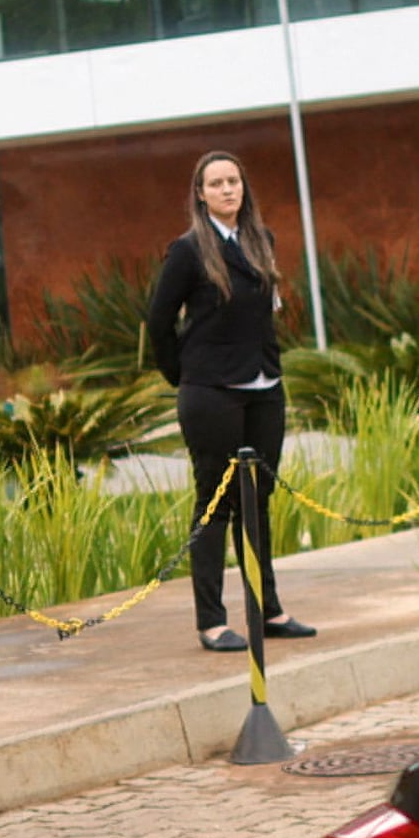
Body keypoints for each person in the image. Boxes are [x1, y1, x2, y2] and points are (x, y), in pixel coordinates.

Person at [144, 150, 313, 654]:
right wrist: (183, 375)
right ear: (200, 194)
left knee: (257, 504)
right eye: (215, 183)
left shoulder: (263, 240)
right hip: (211, 393)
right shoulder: (188, 250)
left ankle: (269, 610)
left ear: (244, 187)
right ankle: (212, 622)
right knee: (214, 505)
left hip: (263, 388)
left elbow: (266, 314)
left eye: (233, 181)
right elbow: (158, 321)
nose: (226, 190)